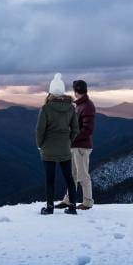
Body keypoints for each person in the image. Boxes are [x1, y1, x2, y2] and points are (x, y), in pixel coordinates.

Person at [35, 73, 80, 215]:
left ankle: (49, 207)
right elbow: (75, 129)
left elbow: (40, 129)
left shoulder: (46, 108)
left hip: (48, 149)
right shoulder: (71, 108)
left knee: (50, 179)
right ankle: (72, 206)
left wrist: (40, 144)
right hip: (65, 148)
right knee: (69, 178)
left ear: (51, 91)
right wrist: (69, 141)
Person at [56, 79, 96, 211]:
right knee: (72, 175)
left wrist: (72, 138)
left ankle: (88, 202)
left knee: (83, 175)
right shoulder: (80, 105)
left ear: (76, 91)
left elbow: (87, 130)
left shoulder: (87, 106)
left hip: (81, 147)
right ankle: (68, 200)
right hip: (74, 146)